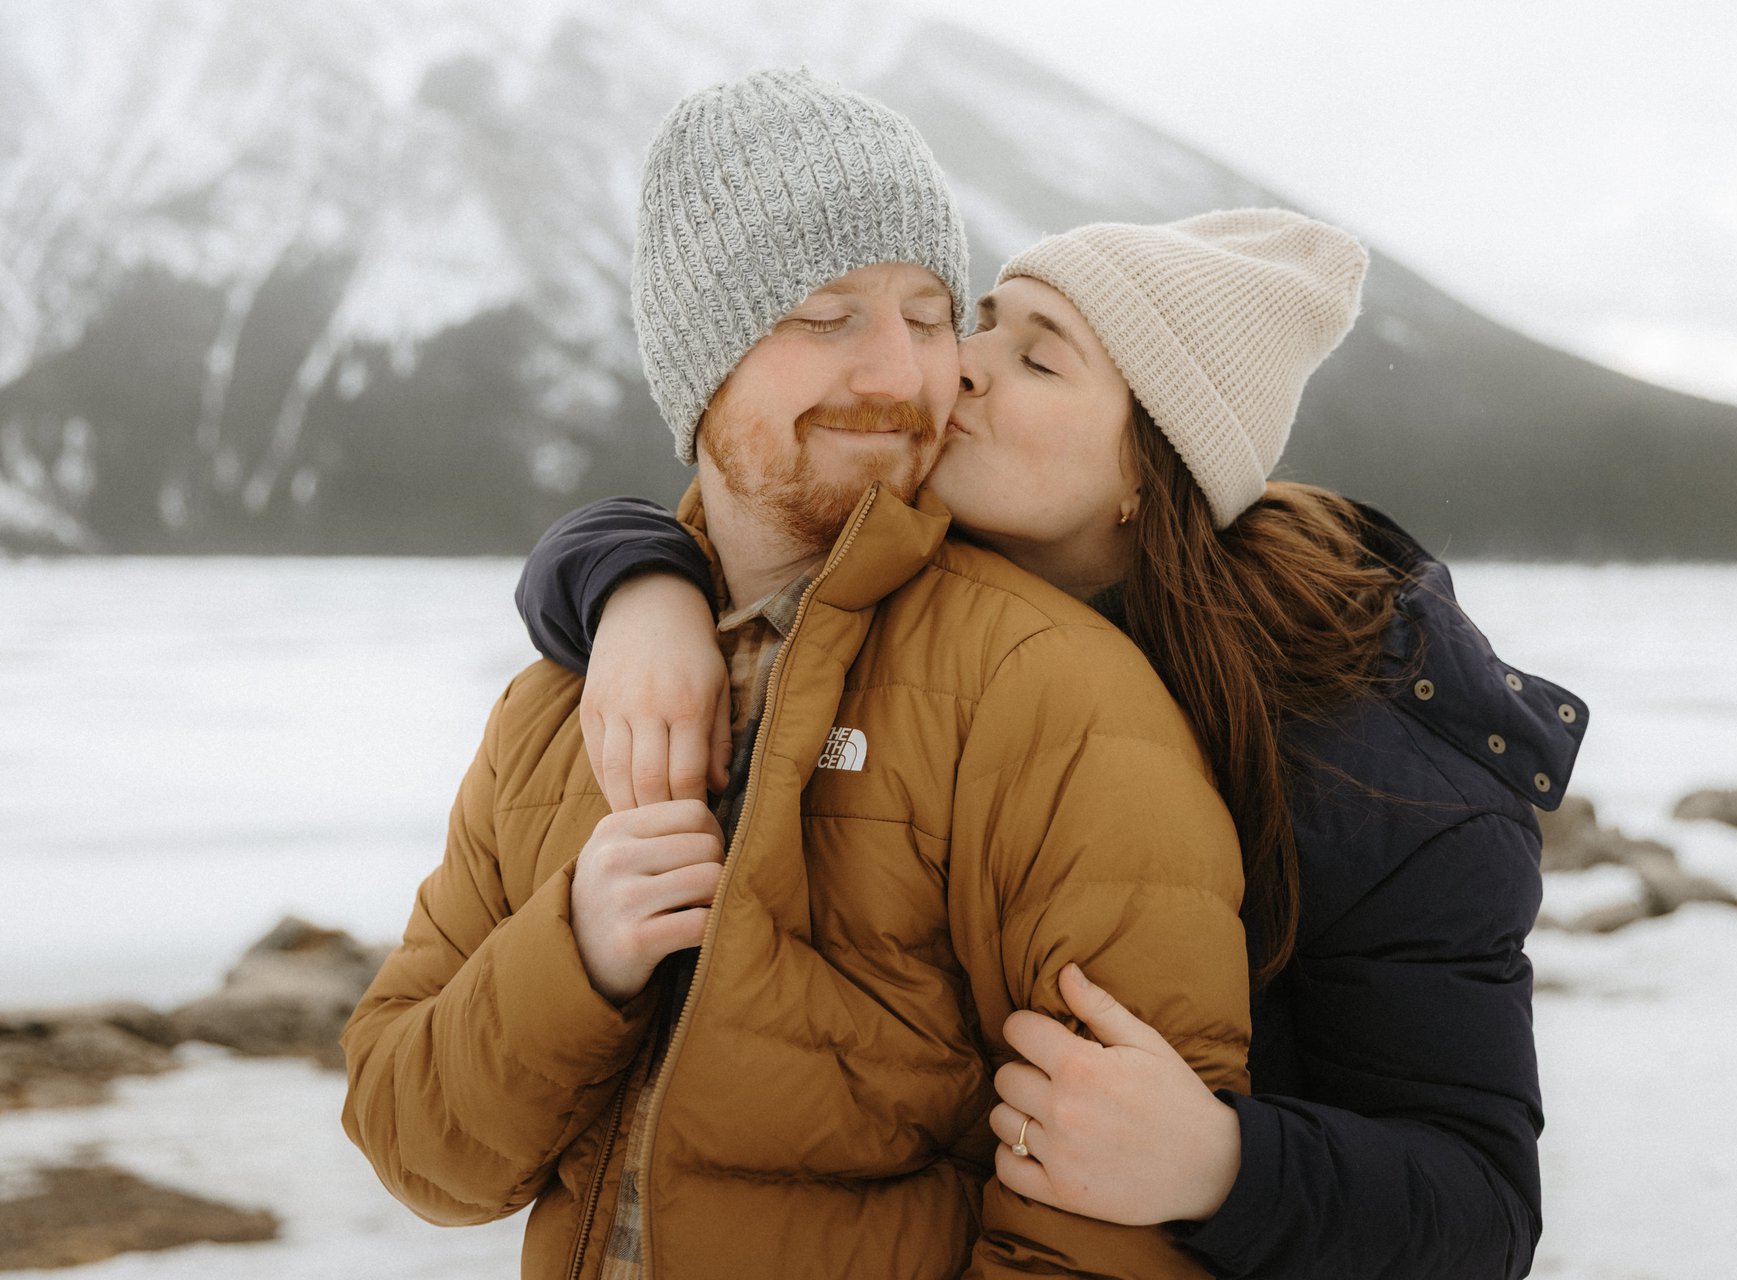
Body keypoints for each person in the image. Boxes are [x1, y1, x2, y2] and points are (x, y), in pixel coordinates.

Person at [515, 209, 1589, 1278]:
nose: (956, 366)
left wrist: (1225, 1164)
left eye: (1036, 357)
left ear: (1150, 469)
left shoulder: (1376, 764)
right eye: (980, 323)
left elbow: (1482, 1208)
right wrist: (635, 586)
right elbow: (739, 516)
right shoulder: (918, 584)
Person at [340, 69, 1253, 1280]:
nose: (899, 373)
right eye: (827, 315)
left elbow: (1117, 1220)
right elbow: (417, 1147)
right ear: (701, 363)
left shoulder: (1047, 690)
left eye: (931, 317)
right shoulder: (557, 706)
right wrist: (574, 953)